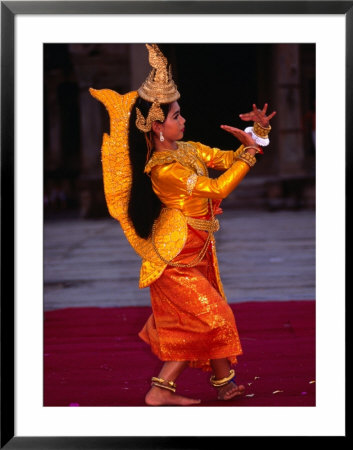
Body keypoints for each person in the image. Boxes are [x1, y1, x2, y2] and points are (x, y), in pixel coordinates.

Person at [90, 44, 276, 406]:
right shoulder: (164, 170)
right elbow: (218, 187)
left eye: (181, 114)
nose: (183, 120)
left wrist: (257, 136)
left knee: (202, 316)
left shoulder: (186, 150)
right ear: (158, 126)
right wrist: (250, 156)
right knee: (212, 315)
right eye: (176, 116)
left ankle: (224, 383)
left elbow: (224, 159)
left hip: (199, 250)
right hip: (173, 256)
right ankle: (161, 388)